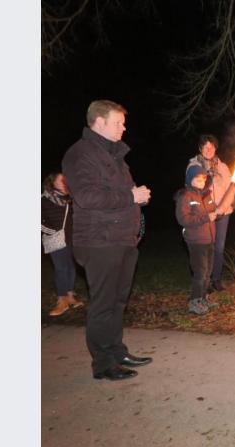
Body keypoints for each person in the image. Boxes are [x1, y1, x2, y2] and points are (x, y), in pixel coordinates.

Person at [62, 99, 153, 381]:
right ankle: (103, 364)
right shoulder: (80, 154)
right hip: (99, 241)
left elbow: (120, 193)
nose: (124, 128)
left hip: (122, 239)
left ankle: (117, 352)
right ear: (100, 122)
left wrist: (136, 197)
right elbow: (87, 196)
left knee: (118, 301)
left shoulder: (114, 155)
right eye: (118, 123)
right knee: (103, 303)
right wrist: (130, 196)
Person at [187, 135, 233, 292]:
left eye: (211, 147)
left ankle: (216, 279)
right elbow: (191, 189)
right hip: (204, 214)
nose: (209, 150)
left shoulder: (223, 167)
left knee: (219, 247)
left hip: (223, 212)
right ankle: (203, 281)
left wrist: (222, 208)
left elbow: (231, 189)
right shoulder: (194, 165)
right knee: (206, 246)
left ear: (215, 148)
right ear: (200, 148)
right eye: (205, 147)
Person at [175, 165, 219, 314]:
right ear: (190, 180)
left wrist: (219, 211)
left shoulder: (206, 195)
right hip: (196, 241)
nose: (201, 182)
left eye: (203, 179)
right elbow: (183, 219)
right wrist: (206, 217)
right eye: (198, 179)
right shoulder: (185, 196)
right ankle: (194, 301)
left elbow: (214, 211)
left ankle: (203, 297)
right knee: (200, 272)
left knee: (208, 271)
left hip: (209, 239)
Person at [41, 172, 84, 316]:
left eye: (67, 179)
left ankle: (70, 296)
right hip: (56, 239)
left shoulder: (70, 199)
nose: (65, 182)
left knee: (71, 267)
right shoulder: (44, 199)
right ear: (52, 182)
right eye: (61, 180)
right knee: (61, 268)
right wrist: (53, 232)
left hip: (72, 238)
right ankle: (61, 300)